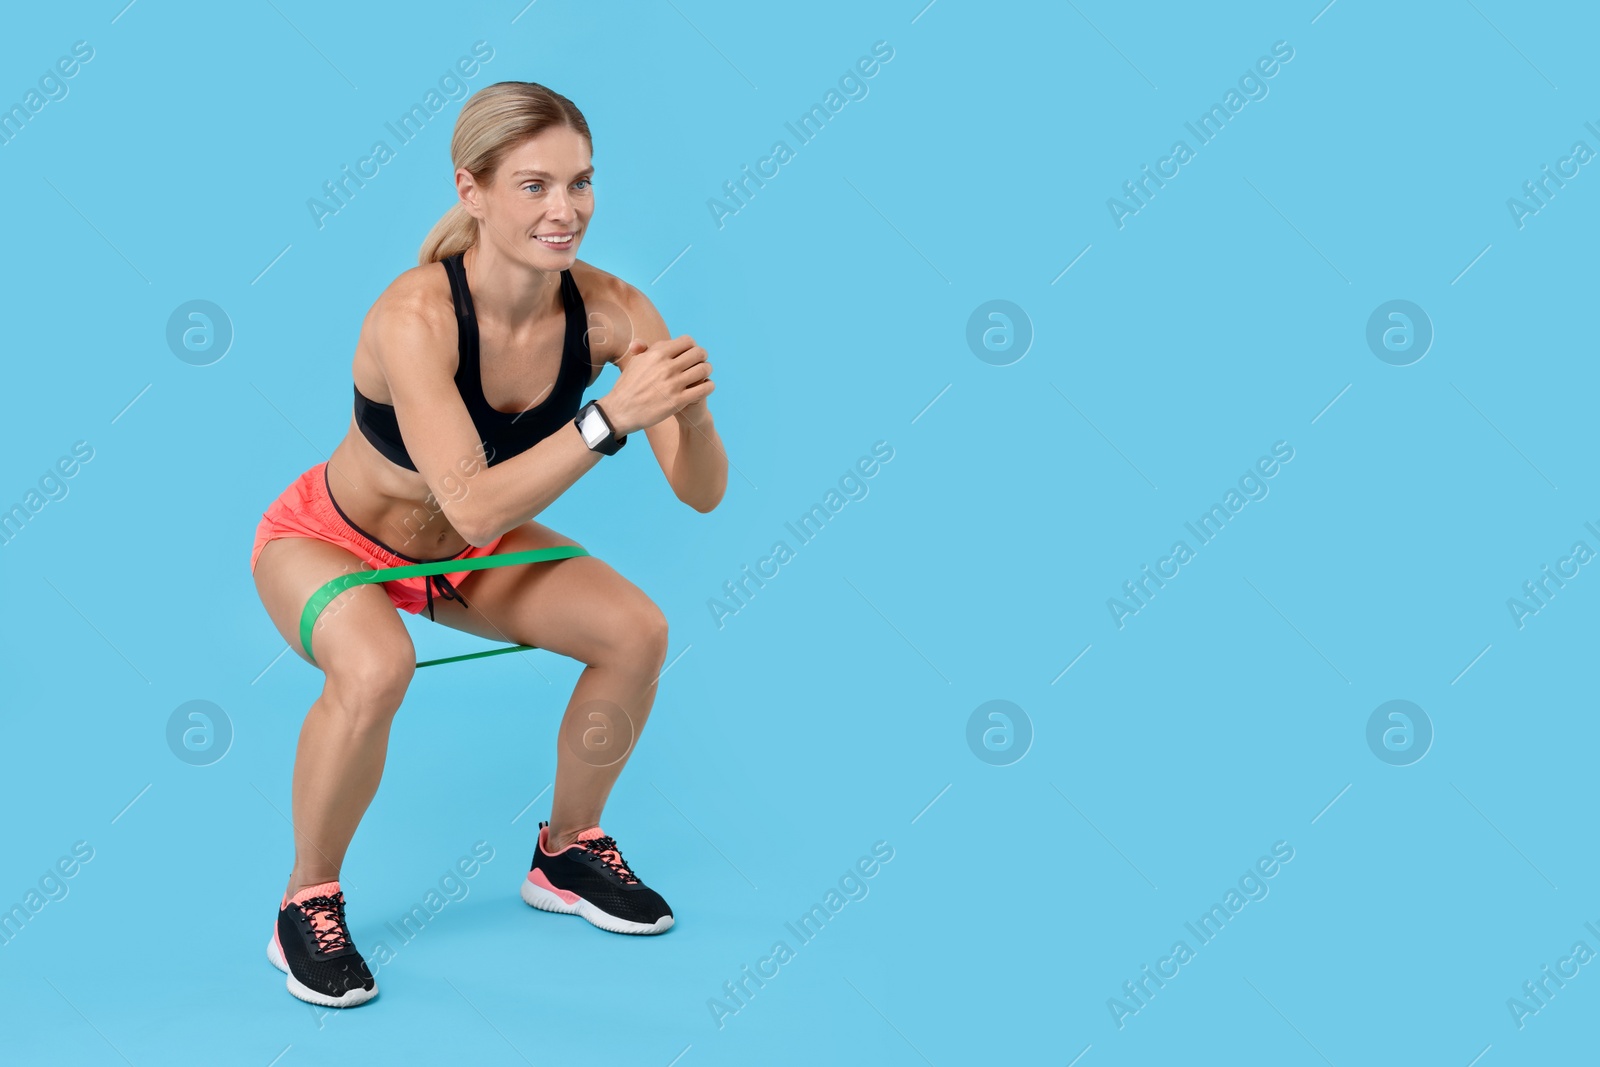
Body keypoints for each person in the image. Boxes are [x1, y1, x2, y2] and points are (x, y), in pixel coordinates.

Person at [248, 80, 725, 1008]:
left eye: (581, 184)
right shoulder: (415, 315)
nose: (566, 210)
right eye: (535, 186)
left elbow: (701, 493)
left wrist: (691, 414)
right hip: (330, 539)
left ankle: (567, 850)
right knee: (377, 666)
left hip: (463, 560)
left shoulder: (615, 311)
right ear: (472, 190)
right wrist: (607, 420)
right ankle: (304, 900)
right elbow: (470, 506)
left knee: (637, 632)